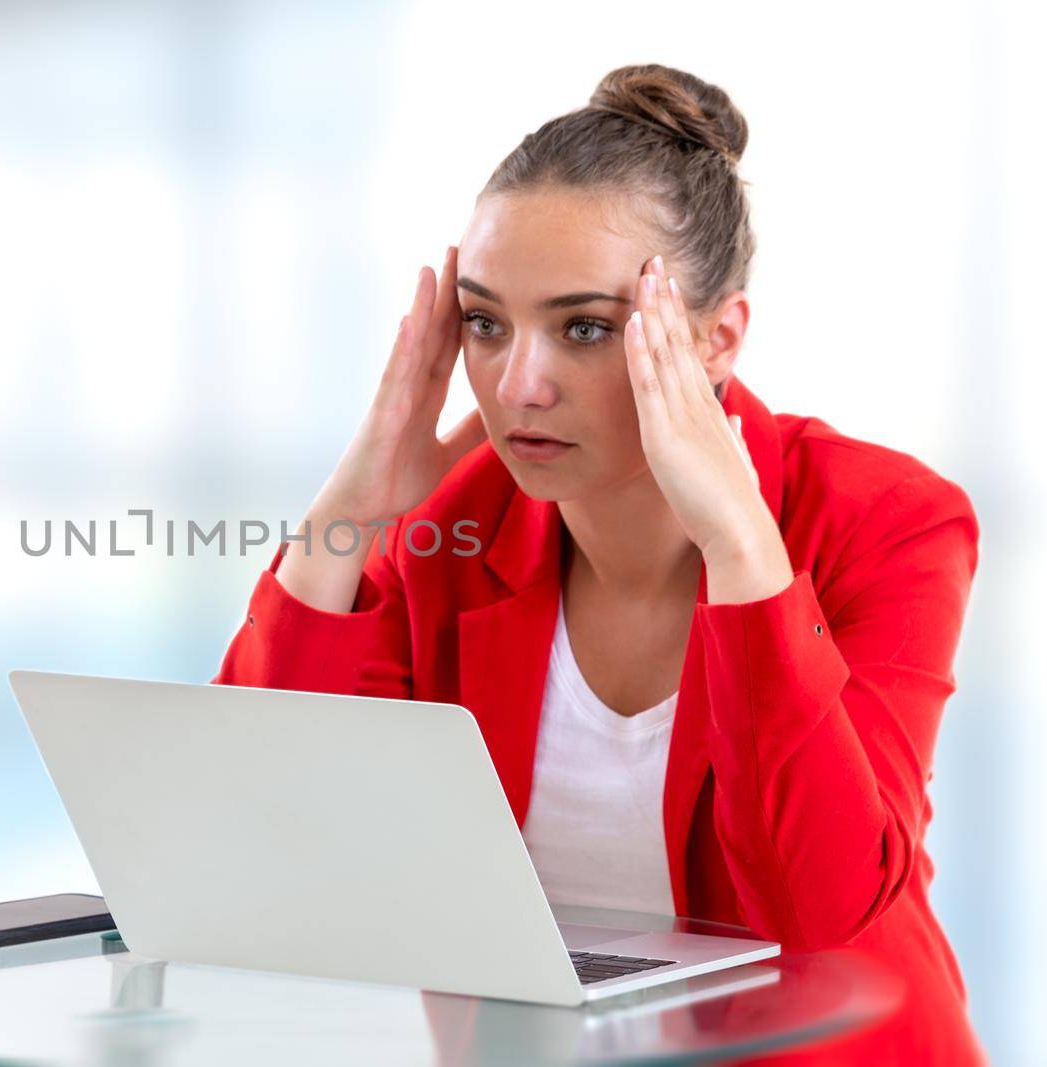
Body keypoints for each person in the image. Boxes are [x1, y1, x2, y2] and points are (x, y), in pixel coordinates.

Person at [211, 64, 983, 1066]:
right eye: (485, 322)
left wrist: (743, 549)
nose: (519, 385)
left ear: (716, 340)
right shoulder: (452, 525)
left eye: (584, 328)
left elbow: (816, 904)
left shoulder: (884, 520)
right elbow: (263, 836)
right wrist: (352, 511)